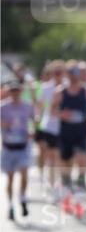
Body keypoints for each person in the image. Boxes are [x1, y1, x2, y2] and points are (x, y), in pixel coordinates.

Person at [50, 61, 86, 217]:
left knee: (82, 159)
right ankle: (66, 196)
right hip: (66, 132)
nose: (74, 76)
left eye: (76, 73)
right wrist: (61, 114)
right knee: (66, 166)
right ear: (67, 74)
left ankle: (80, 194)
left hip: (81, 131)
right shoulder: (60, 91)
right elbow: (52, 110)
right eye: (71, 73)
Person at [1, 83, 35, 220]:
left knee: (24, 175)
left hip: (23, 146)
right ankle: (10, 205)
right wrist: (5, 124)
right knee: (10, 179)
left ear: (21, 92)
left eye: (17, 91)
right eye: (12, 91)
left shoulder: (27, 106)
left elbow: (34, 120)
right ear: (9, 92)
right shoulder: (3, 107)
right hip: (8, 147)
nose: (15, 93)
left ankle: (22, 198)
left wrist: (32, 130)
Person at [35, 61, 64, 197]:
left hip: (65, 127)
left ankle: (57, 182)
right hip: (49, 126)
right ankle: (52, 184)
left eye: (61, 72)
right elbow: (40, 106)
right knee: (51, 156)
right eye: (56, 72)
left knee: (59, 157)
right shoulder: (46, 88)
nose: (59, 75)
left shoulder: (68, 87)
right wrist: (37, 117)